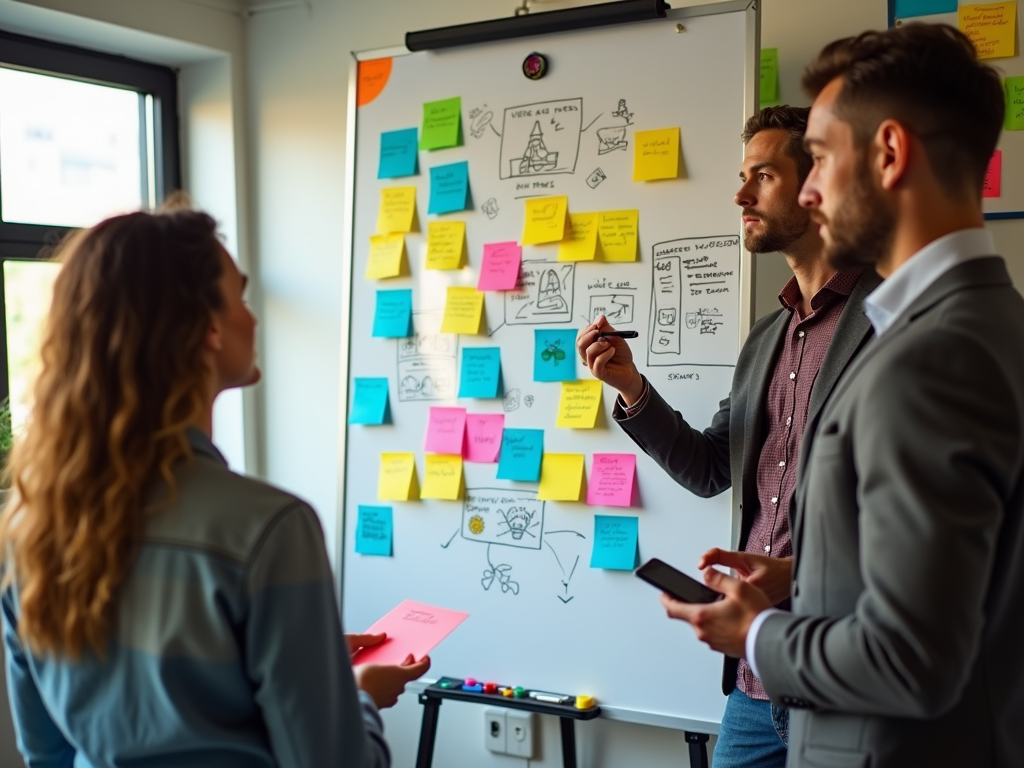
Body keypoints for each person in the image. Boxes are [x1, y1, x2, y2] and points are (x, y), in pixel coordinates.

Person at [660, 24, 1024, 768]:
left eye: (819, 158)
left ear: (889, 153)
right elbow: (970, 576)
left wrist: (754, 634)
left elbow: (909, 659)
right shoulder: (995, 321)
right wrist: (810, 575)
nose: (811, 189)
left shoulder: (926, 356)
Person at [0, 208, 429, 767]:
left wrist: (307, 662)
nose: (252, 319)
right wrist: (358, 700)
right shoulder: (268, 529)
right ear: (207, 327)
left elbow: (46, 757)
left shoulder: (28, 531)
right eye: (240, 298)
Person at [576, 106, 879, 768]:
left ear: (817, 184)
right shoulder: (765, 340)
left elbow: (920, 531)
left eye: (762, 176)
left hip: (843, 681)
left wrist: (798, 579)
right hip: (751, 688)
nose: (740, 195)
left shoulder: (891, 324)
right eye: (742, 177)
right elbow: (715, 467)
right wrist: (631, 388)